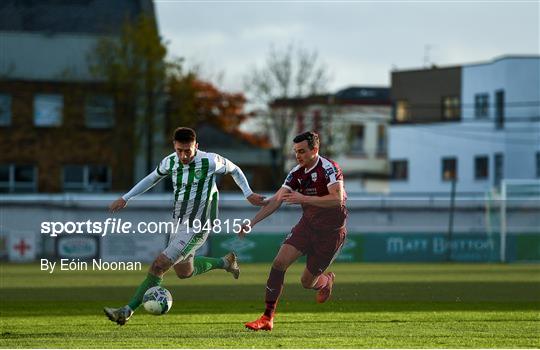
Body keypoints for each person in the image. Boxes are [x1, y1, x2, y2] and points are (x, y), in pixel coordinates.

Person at [104, 127, 266, 325]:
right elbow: (152, 178)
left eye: (187, 150)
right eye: (179, 150)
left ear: (196, 146)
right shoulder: (170, 161)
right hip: (179, 223)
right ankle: (225, 262)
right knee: (184, 272)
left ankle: (126, 311)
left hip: (199, 224)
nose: (183, 155)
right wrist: (126, 197)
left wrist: (248, 193)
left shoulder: (210, 160)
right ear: (174, 146)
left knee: (159, 265)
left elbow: (235, 170)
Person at [241, 131, 347, 331]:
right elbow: (278, 200)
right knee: (279, 263)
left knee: (307, 282)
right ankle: (267, 317)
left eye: (302, 151)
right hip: (307, 226)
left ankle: (325, 281)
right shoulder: (296, 173)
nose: (298, 156)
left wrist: (303, 199)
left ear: (315, 150)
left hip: (331, 233)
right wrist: (252, 222)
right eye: (296, 152)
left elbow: (337, 199)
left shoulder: (329, 168)